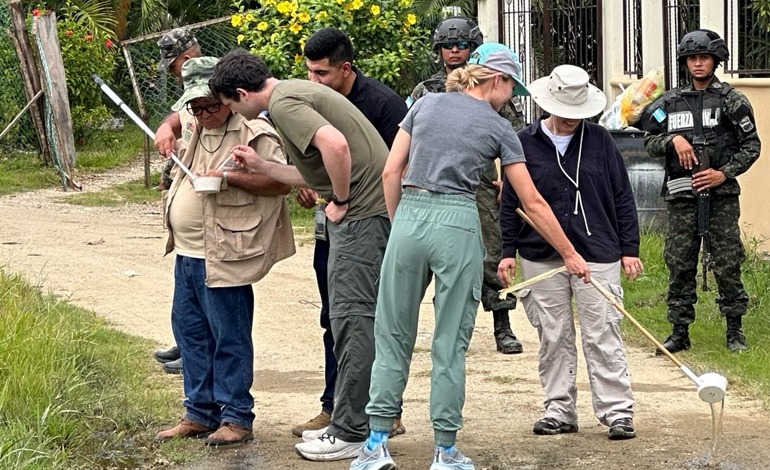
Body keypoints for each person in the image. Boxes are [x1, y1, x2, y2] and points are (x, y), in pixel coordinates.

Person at [349, 43, 590, 470]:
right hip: (458, 220)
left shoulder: (425, 103)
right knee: (449, 343)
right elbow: (531, 201)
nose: (511, 97)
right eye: (512, 88)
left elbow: (391, 171)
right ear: (497, 80)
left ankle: (376, 443)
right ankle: (444, 451)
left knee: (392, 335)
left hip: (409, 214)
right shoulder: (500, 128)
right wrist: (569, 252)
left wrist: (401, 222)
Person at [210, 49, 391, 462]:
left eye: (230, 105)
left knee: (352, 319)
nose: (235, 114)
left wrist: (341, 200)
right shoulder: (293, 92)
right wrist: (260, 165)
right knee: (347, 319)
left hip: (364, 216)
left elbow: (335, 145)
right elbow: (313, 173)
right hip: (368, 212)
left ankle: (352, 430)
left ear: (242, 94)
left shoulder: (284, 104)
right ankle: (349, 420)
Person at [154, 57, 295, 446]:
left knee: (228, 336)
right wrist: (165, 129)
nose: (202, 114)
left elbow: (279, 183)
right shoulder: (196, 122)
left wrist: (229, 177)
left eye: (210, 106)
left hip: (226, 251)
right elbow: (175, 121)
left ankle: (236, 416)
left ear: (227, 98)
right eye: (195, 107)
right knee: (190, 334)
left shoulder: (253, 130)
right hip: (187, 251)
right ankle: (199, 412)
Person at [498, 64, 641, 441]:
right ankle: (559, 408)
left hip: (598, 249)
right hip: (539, 253)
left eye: (578, 113)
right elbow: (510, 201)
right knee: (553, 334)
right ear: (548, 104)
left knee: (603, 332)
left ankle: (617, 412)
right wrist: (507, 251)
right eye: (565, 112)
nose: (571, 119)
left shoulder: (601, 140)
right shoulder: (523, 142)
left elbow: (623, 196)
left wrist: (630, 248)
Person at [291, 27, 408, 439]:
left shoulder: (383, 104)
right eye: (308, 72)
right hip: (331, 227)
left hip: (374, 226)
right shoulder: (311, 103)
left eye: (321, 73)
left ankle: (386, 409)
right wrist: (309, 185)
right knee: (335, 318)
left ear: (346, 68)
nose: (314, 81)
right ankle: (334, 405)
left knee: (376, 319)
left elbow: (401, 167)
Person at [409, 16, 525, 355]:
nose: (455, 51)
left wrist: (507, 180)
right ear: (439, 50)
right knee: (429, 254)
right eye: (448, 45)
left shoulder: (491, 87)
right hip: (436, 183)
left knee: (492, 250)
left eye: (462, 45)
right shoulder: (426, 91)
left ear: (473, 49)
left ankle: (502, 323)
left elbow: (515, 137)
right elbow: (408, 137)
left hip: (481, 182)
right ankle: (425, 324)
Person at [644, 29, 760, 353]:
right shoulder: (669, 102)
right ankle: (679, 331)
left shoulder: (731, 101)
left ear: (715, 61)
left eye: (704, 58)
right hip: (682, 196)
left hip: (721, 197)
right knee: (680, 262)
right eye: (692, 58)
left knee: (727, 261)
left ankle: (734, 330)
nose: (698, 63)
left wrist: (723, 174)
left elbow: (752, 146)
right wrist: (674, 140)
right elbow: (649, 140)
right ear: (685, 62)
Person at [152, 27, 204, 375]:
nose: (173, 75)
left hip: (208, 209)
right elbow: (181, 118)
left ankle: (197, 352)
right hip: (186, 206)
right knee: (185, 286)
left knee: (203, 289)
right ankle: (187, 343)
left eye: (172, 67)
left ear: (185, 59)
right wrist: (165, 127)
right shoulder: (192, 89)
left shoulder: (213, 85)